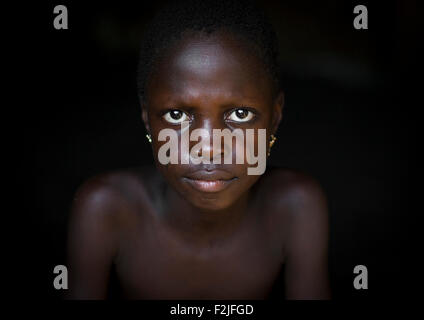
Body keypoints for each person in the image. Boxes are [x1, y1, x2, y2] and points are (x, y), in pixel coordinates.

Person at [66, 0, 330, 299]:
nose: (207, 147)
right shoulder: (106, 210)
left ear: (275, 118)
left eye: (240, 114)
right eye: (176, 115)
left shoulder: (295, 207)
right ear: (147, 121)